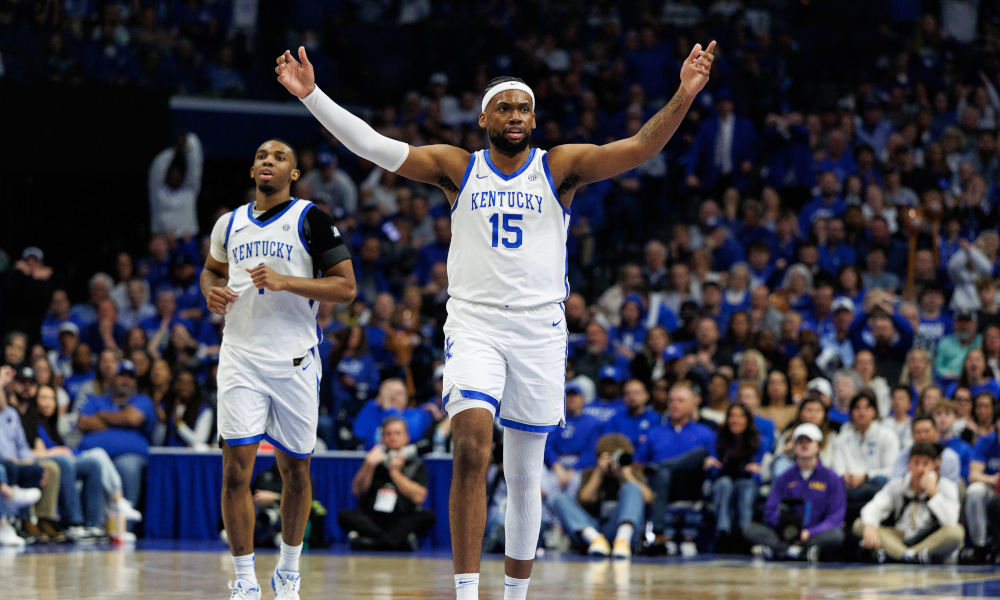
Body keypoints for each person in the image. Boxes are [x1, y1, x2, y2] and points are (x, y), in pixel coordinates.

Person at [279, 38, 716, 600]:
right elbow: (374, 146)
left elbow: (638, 147)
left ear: (534, 118)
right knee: (470, 445)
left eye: (524, 108)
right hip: (475, 324)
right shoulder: (455, 167)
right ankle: (466, 593)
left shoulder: (559, 166)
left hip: (540, 328)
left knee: (527, 473)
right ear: (484, 117)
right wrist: (312, 94)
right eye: (505, 107)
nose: (516, 116)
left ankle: (514, 596)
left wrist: (683, 94)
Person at [200, 138, 357, 600]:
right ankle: (245, 579)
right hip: (240, 359)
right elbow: (211, 271)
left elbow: (346, 288)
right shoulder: (228, 224)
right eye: (262, 156)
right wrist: (209, 289)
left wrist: (286, 281)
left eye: (280, 157)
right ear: (252, 171)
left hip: (295, 362)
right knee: (236, 473)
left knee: (296, 471)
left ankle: (289, 570)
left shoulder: (312, 219)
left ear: (294, 174)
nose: (269, 161)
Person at [745, 423, 846, 562]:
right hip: (784, 533)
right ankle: (795, 551)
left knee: (836, 535)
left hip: (813, 534)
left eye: (809, 441)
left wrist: (809, 532)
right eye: (800, 441)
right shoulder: (784, 478)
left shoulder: (831, 478)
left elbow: (835, 516)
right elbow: (770, 509)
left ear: (818, 447)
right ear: (794, 446)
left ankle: (782, 551)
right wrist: (786, 529)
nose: (804, 445)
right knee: (749, 529)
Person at [636, 383, 716, 556]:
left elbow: (715, 466)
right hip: (659, 486)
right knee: (662, 474)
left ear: (693, 403)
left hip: (691, 485)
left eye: (680, 400)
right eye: (671, 400)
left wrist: (710, 463)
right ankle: (659, 531)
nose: (674, 404)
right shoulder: (655, 432)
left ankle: (661, 531)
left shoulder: (705, 433)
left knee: (700, 454)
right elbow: (639, 464)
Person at [548, 433, 654, 559]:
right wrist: (599, 473)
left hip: (621, 528)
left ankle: (622, 540)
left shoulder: (632, 472)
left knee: (632, 487)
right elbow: (584, 499)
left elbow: (649, 498)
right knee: (560, 499)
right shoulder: (591, 473)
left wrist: (627, 476)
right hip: (596, 528)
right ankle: (595, 540)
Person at [856, 442, 964, 564]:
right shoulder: (899, 484)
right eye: (916, 463)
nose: (920, 469)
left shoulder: (945, 486)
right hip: (898, 537)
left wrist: (933, 493)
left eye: (925, 463)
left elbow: (950, 521)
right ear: (909, 465)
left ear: (934, 465)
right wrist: (869, 526)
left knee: (956, 532)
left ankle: (898, 555)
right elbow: (874, 506)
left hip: (928, 539)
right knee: (861, 524)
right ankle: (910, 556)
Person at [338, 417, 435, 552]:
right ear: (382, 438)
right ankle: (395, 542)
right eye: (388, 434)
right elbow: (357, 491)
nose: (392, 437)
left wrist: (395, 473)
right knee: (345, 515)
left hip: (400, 518)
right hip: (373, 519)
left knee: (427, 516)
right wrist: (369, 465)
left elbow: (419, 497)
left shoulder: (416, 464)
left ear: (406, 438)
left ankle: (371, 543)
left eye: (397, 433)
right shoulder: (373, 461)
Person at [705, 403, 763, 544]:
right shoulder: (718, 438)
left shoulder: (758, 440)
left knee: (746, 486)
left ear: (748, 420)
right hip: (721, 481)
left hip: (747, 481)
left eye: (740, 416)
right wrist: (710, 464)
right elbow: (713, 472)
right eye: (732, 416)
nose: (735, 420)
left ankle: (745, 532)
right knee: (724, 484)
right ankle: (723, 532)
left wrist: (756, 469)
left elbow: (759, 473)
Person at [832, 392, 900, 510]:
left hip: (874, 484)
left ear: (874, 411)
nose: (862, 412)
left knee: (880, 481)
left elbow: (892, 470)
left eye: (867, 407)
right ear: (851, 412)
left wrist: (866, 476)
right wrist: (845, 476)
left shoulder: (887, 436)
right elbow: (837, 468)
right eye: (857, 408)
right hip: (849, 485)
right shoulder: (841, 439)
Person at [541, 384, 603, 502]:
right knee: (549, 486)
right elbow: (548, 446)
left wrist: (573, 470)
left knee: (574, 483)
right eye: (568, 396)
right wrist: (557, 467)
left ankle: (569, 519)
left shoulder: (593, 422)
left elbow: (590, 452)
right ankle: (552, 520)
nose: (571, 399)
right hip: (557, 463)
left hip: (579, 465)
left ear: (582, 399)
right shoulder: (555, 419)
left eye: (575, 396)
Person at [963, 404, 1000, 564]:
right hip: (992, 487)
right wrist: (993, 479)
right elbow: (974, 475)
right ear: (997, 423)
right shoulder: (986, 441)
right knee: (974, 491)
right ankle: (980, 546)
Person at [148, 131, 203, 239]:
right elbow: (156, 170)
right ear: (166, 175)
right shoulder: (157, 192)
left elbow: (195, 165)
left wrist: (187, 142)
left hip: (186, 243)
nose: (175, 176)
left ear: (183, 176)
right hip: (163, 243)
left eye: (178, 174)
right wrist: (174, 150)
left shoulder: (189, 191)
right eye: (172, 173)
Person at [892, 415, 963, 483]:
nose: (923, 436)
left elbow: (951, 491)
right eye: (918, 432)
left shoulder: (949, 457)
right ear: (912, 435)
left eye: (926, 431)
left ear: (936, 432)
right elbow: (893, 483)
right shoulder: (904, 455)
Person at [604, 379, 660, 447]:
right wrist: (638, 439)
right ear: (623, 397)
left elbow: (655, 442)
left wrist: (624, 440)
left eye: (636, 392)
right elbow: (608, 442)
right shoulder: (615, 420)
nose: (632, 397)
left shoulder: (655, 419)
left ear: (646, 396)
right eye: (628, 393)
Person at [931, 400, 976, 482]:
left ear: (955, 418)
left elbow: (966, 477)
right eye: (938, 414)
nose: (942, 418)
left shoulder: (965, 448)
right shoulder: (929, 445)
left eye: (947, 414)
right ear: (932, 418)